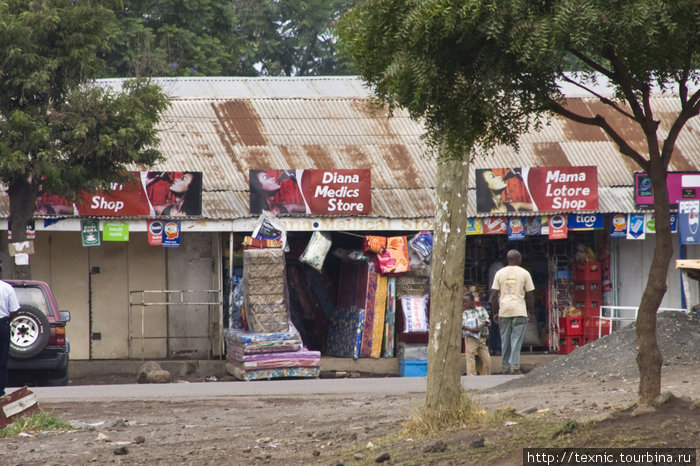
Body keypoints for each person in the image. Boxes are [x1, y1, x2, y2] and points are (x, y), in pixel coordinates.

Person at [489, 249, 535, 375]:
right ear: (519, 259)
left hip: (504, 310)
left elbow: (494, 295)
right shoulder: (525, 273)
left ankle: (505, 367)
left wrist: (494, 312)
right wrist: (530, 312)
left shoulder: (499, 273)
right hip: (519, 310)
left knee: (505, 340)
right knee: (516, 339)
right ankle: (514, 367)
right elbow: (530, 295)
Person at [0, 263, 20, 397]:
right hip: (2, 325)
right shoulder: (6, 288)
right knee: (1, 359)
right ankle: (0, 391)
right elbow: (14, 310)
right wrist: (7, 320)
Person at [461, 293, 491, 376]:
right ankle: (471, 376)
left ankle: (487, 375)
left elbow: (486, 320)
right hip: (471, 338)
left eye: (466, 302)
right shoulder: (465, 313)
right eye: (463, 302)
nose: (464, 304)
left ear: (472, 301)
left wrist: (480, 326)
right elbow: (462, 325)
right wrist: (472, 329)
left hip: (482, 338)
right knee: (470, 357)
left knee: (486, 358)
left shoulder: (481, 309)